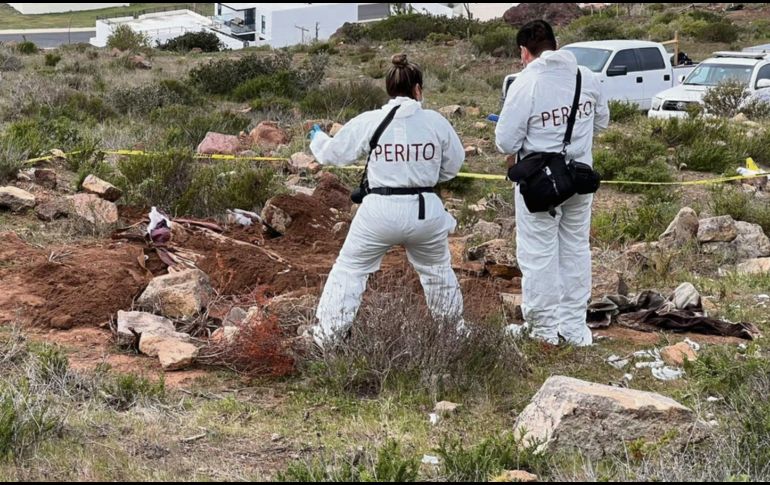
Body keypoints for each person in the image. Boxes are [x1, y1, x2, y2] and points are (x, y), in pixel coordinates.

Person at [306, 53, 467, 350]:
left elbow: (333, 154)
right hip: (425, 209)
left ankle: (327, 337)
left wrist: (316, 138)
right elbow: (454, 165)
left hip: (380, 209)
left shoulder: (372, 120)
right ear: (418, 89)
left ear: (389, 89)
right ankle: (453, 335)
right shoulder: (436, 122)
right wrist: (425, 174)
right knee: (438, 273)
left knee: (350, 270)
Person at [495, 20, 609, 347]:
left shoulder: (526, 82)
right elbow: (601, 121)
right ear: (556, 45)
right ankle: (574, 329)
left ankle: (543, 331)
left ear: (524, 52)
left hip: (540, 183)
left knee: (538, 255)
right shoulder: (586, 78)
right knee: (575, 250)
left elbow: (505, 140)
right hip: (579, 178)